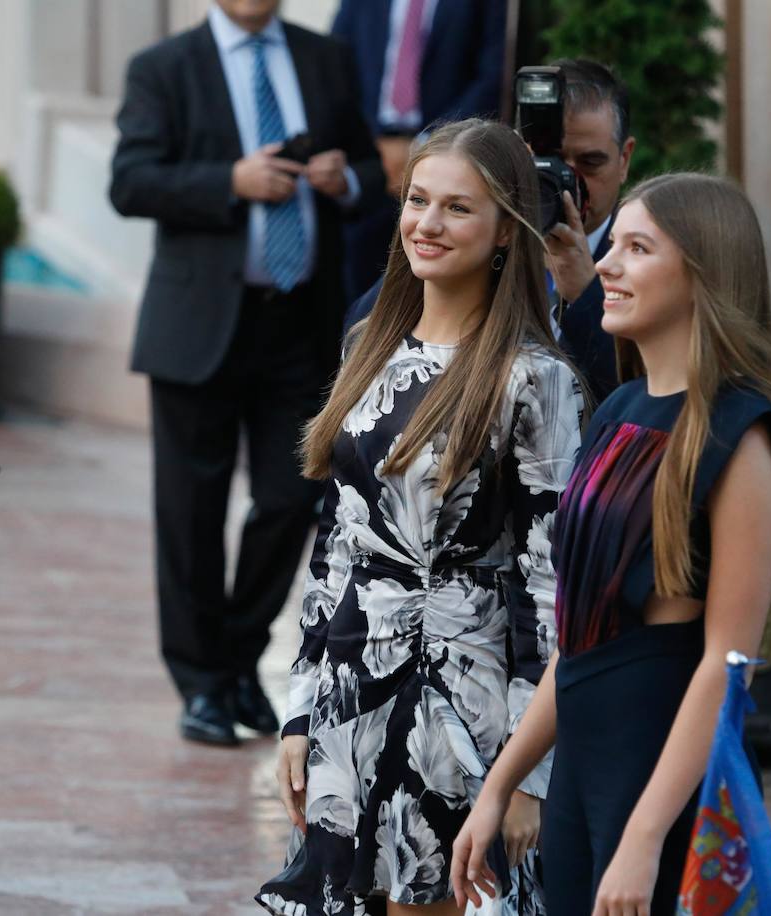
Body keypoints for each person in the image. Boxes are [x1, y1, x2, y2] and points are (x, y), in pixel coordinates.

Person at [450, 173, 771, 913]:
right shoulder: (617, 409)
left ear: (704, 273)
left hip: (663, 763)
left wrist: (645, 836)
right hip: (582, 763)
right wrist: (501, 784)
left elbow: (726, 666)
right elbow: (578, 636)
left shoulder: (740, 436)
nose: (605, 264)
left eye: (637, 249)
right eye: (613, 246)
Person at [257, 118, 584, 915]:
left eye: (457, 208)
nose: (427, 224)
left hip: (460, 703)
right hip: (348, 686)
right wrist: (299, 710)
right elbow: (337, 545)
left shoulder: (536, 378)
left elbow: (553, 591)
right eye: (417, 200)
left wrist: (530, 776)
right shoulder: (368, 343)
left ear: (506, 230)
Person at [108, 0, 383, 747]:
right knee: (190, 513)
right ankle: (201, 683)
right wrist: (231, 179)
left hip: (300, 323)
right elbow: (130, 182)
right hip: (196, 326)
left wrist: (344, 181)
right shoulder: (163, 68)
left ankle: (237, 659)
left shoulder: (325, 58)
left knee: (294, 497)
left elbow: (368, 170)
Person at [345, 57, 636, 404]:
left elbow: (643, 397)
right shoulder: (475, 240)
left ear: (624, 159)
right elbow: (367, 331)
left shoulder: (644, 260)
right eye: (546, 161)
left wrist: (587, 297)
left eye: (589, 162)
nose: (566, 179)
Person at [330, 0, 507, 302]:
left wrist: (425, 147)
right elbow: (335, 65)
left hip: (451, 158)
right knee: (360, 295)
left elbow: (495, 74)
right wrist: (369, 147)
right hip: (371, 162)